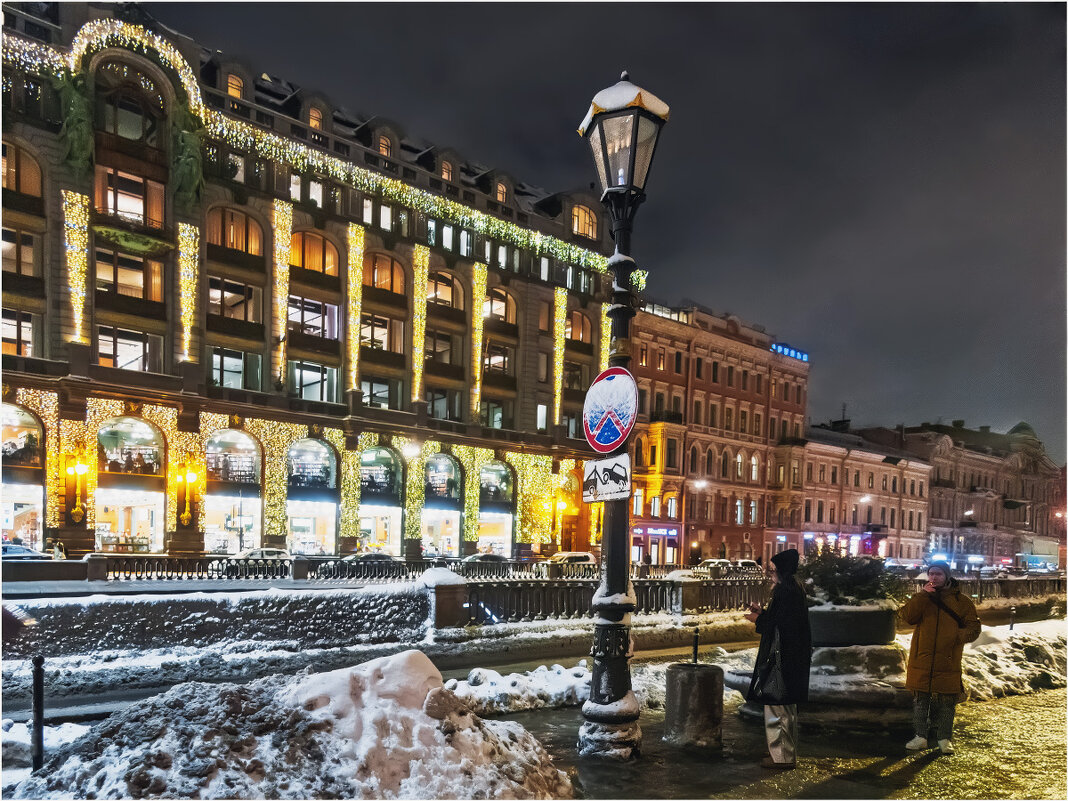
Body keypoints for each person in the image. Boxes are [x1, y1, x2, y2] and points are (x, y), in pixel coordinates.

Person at [899, 560, 980, 755]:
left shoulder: (962, 602)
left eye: (939, 574)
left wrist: (956, 637)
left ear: (947, 576)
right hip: (922, 657)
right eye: (931, 574)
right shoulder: (923, 598)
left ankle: (944, 738)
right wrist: (922, 596)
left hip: (948, 657)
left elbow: (974, 628)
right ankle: (920, 737)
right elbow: (908, 617)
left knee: (947, 701)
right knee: (920, 699)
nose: (934, 578)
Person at [744, 548, 811, 770]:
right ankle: (784, 753)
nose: (771, 573)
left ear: (782, 571)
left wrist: (758, 619)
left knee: (777, 707)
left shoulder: (785, 591)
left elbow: (780, 627)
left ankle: (781, 756)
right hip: (790, 658)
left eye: (774, 570)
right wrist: (763, 614)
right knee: (786, 708)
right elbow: (781, 620)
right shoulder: (794, 589)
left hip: (781, 659)